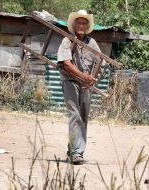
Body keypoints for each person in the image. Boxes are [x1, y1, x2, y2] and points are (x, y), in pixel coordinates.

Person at [57, 10, 102, 164]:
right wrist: (84, 77)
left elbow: (99, 62)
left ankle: (73, 149)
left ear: (87, 25)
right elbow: (67, 65)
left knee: (83, 117)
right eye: (79, 22)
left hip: (86, 86)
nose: (81, 25)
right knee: (75, 115)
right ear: (74, 25)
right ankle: (77, 153)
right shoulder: (67, 41)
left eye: (84, 23)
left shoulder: (92, 43)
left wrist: (92, 80)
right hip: (70, 81)